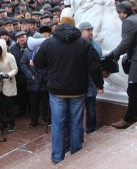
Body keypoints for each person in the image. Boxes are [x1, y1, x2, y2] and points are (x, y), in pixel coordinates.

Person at [33, 17, 104, 164]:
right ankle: (76, 155)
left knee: (58, 123)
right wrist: (100, 84)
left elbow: (38, 64)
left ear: (58, 26)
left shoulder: (48, 43)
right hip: (78, 90)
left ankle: (57, 157)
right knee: (76, 122)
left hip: (57, 90)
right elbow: (94, 66)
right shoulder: (84, 43)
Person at [104, 1, 137, 129]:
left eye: (119, 13)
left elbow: (125, 44)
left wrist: (111, 55)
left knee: (133, 89)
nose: (118, 16)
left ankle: (128, 119)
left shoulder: (129, 22)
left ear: (123, 13)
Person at [78, 21, 110, 134]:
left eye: (91, 30)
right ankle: (78, 131)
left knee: (91, 109)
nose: (91, 32)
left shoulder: (96, 45)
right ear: (81, 32)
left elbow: (99, 62)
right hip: (80, 82)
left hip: (92, 83)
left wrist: (105, 71)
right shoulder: (77, 45)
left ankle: (90, 130)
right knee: (78, 110)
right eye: (88, 30)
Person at [0, 39, 18, 132]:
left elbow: (15, 69)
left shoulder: (10, 57)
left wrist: (8, 75)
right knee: (1, 105)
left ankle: (11, 123)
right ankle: (3, 123)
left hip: (8, 82)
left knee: (9, 104)